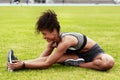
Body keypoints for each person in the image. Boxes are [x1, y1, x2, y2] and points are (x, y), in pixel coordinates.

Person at [7, 10, 115, 71]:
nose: (44, 37)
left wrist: (24, 65)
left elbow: (47, 64)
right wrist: (22, 63)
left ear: (54, 31)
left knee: (108, 63)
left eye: (45, 33)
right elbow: (42, 59)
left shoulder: (66, 41)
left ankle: (77, 64)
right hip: (75, 56)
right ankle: (14, 62)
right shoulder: (52, 43)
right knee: (53, 58)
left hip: (94, 54)